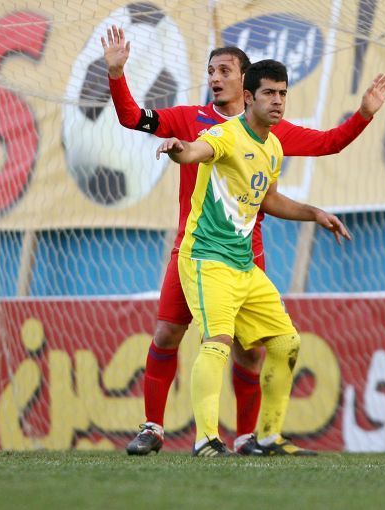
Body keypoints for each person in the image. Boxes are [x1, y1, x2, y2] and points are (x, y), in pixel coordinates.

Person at [101, 25, 385, 455]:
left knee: (252, 352)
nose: (215, 78)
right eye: (210, 71)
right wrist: (116, 75)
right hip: (196, 248)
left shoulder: (271, 131)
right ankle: (154, 428)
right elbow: (133, 118)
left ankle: (248, 438)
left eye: (224, 71)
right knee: (166, 334)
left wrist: (363, 114)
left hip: (246, 254)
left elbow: (329, 144)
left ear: (245, 81)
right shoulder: (193, 120)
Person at [157, 58, 351, 456]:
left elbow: (269, 199)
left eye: (282, 94)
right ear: (248, 97)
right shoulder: (225, 134)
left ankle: (267, 437)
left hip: (242, 265)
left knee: (285, 342)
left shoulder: (273, 146)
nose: (277, 101)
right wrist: (179, 150)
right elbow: (196, 151)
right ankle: (206, 440)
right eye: (269, 93)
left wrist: (314, 213)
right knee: (218, 342)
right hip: (207, 258)